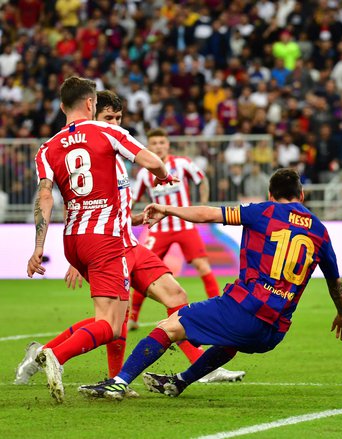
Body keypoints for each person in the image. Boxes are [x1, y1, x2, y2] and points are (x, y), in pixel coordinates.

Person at [15, 91, 244, 390]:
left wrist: (134, 219)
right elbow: (82, 203)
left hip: (128, 243)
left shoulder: (117, 158)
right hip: (106, 245)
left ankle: (198, 364)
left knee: (176, 297)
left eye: (118, 118)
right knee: (113, 323)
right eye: (108, 118)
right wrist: (79, 260)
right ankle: (75, 365)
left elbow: (113, 203)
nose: (114, 123)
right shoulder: (98, 144)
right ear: (92, 115)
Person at [78, 168, 342, 400]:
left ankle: (119, 383)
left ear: (270, 195)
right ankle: (179, 382)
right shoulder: (319, 231)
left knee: (170, 325)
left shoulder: (263, 212)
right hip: (274, 332)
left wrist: (168, 208)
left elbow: (209, 214)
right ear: (301, 196)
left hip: (246, 309)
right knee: (229, 341)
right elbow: (335, 282)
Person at [26, 76, 175, 403]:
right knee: (110, 325)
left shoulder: (47, 148)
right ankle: (55, 355)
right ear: (92, 104)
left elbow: (45, 198)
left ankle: (114, 380)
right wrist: (165, 175)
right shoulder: (108, 132)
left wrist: (38, 247)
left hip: (72, 241)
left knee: (116, 316)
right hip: (106, 239)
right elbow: (154, 163)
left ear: (62, 106)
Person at [130, 128, 219, 330]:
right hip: (159, 228)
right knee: (143, 271)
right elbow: (131, 200)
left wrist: (202, 206)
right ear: (149, 147)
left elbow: (202, 179)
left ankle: (219, 310)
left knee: (202, 266)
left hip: (185, 225)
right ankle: (133, 317)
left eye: (162, 142)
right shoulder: (145, 173)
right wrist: (134, 218)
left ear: (167, 144)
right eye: (155, 143)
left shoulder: (181, 163)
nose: (159, 146)